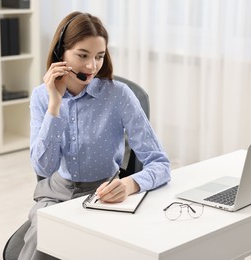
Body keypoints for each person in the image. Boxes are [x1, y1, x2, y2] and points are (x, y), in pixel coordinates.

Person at [19, 11, 171, 259]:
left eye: (99, 56)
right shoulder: (41, 96)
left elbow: (161, 163)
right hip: (57, 194)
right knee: (43, 236)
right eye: (82, 55)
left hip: (106, 195)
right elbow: (44, 168)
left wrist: (129, 184)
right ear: (61, 53)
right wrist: (54, 105)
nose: (92, 66)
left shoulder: (119, 95)